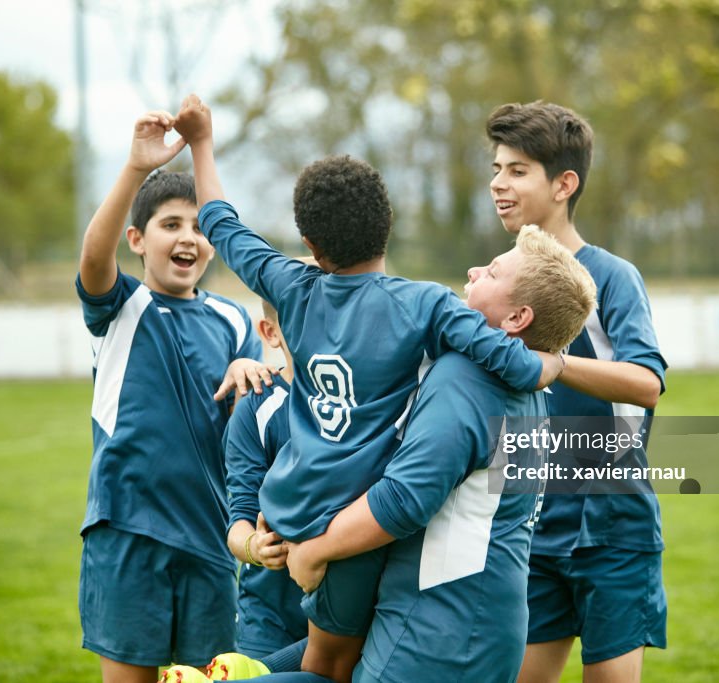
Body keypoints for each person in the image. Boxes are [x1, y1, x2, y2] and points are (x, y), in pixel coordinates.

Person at [173, 94, 565, 683]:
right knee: (331, 668)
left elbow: (222, 225)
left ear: (312, 245)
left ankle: (232, 674)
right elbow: (512, 363)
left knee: (321, 661)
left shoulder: (291, 285)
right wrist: (552, 366)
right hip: (351, 528)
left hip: (288, 509)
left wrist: (202, 141)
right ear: (387, 225)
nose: (476, 274)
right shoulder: (423, 303)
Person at [76, 111, 266, 683]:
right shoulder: (121, 308)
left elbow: (255, 411)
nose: (189, 238)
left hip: (210, 536)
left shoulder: (234, 319)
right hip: (129, 532)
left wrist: (250, 365)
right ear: (137, 239)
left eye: (200, 227)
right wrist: (136, 168)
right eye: (170, 225)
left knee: (207, 676)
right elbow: (92, 258)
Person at [485, 101, 669, 683]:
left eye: (517, 170)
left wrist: (553, 364)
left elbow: (647, 384)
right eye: (497, 168)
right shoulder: (496, 279)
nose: (498, 183)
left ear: (565, 184)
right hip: (528, 525)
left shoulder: (611, 276)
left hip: (613, 528)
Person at [223, 297, 308, 661]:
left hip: (355, 617)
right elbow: (239, 518)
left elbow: (506, 485)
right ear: (271, 333)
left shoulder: (377, 396)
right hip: (271, 619)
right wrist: (256, 547)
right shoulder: (260, 404)